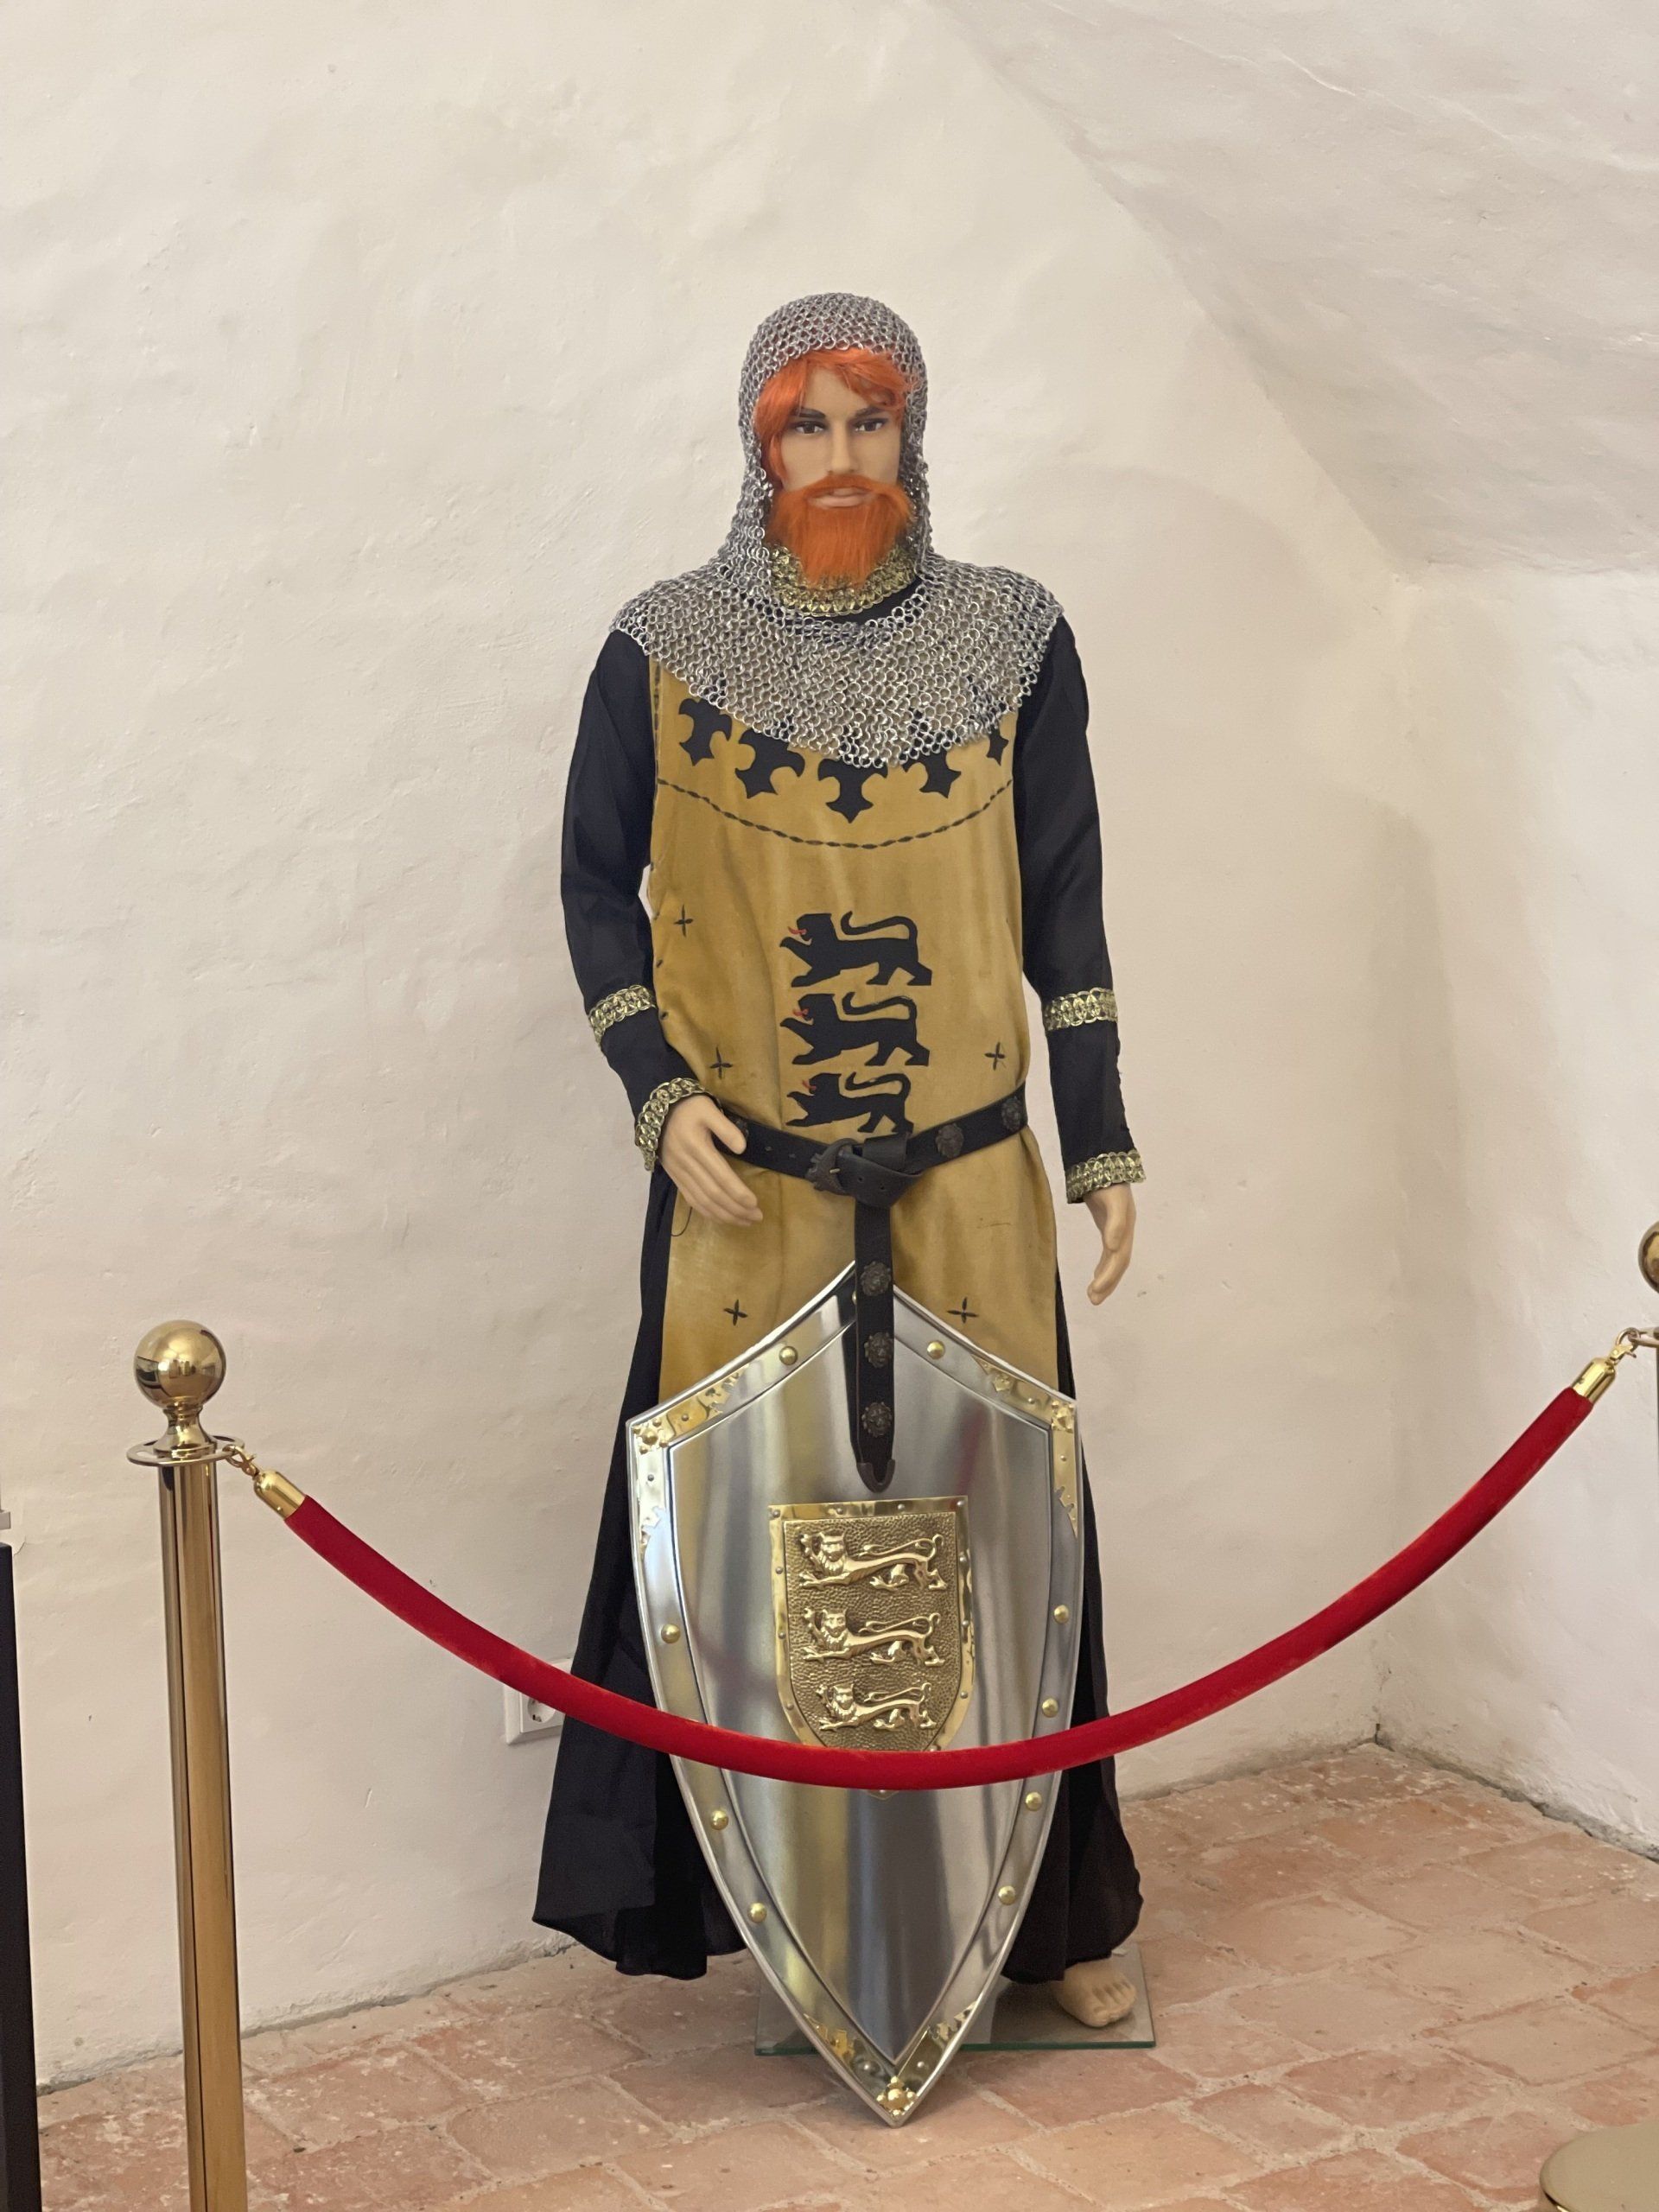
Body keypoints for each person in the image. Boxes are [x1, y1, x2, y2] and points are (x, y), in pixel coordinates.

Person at [535, 293, 1146, 2029]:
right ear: (759, 449)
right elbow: (591, 883)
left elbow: (1066, 899)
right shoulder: (665, 648)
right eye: (805, 426)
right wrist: (655, 1087)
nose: (839, 457)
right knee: (732, 1528)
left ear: (913, 438)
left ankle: (1056, 1925)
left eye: (868, 422)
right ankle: (740, 1912)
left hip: (966, 1178)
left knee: (1008, 1529)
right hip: (749, 1183)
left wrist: (1099, 1129)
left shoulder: (1013, 639)